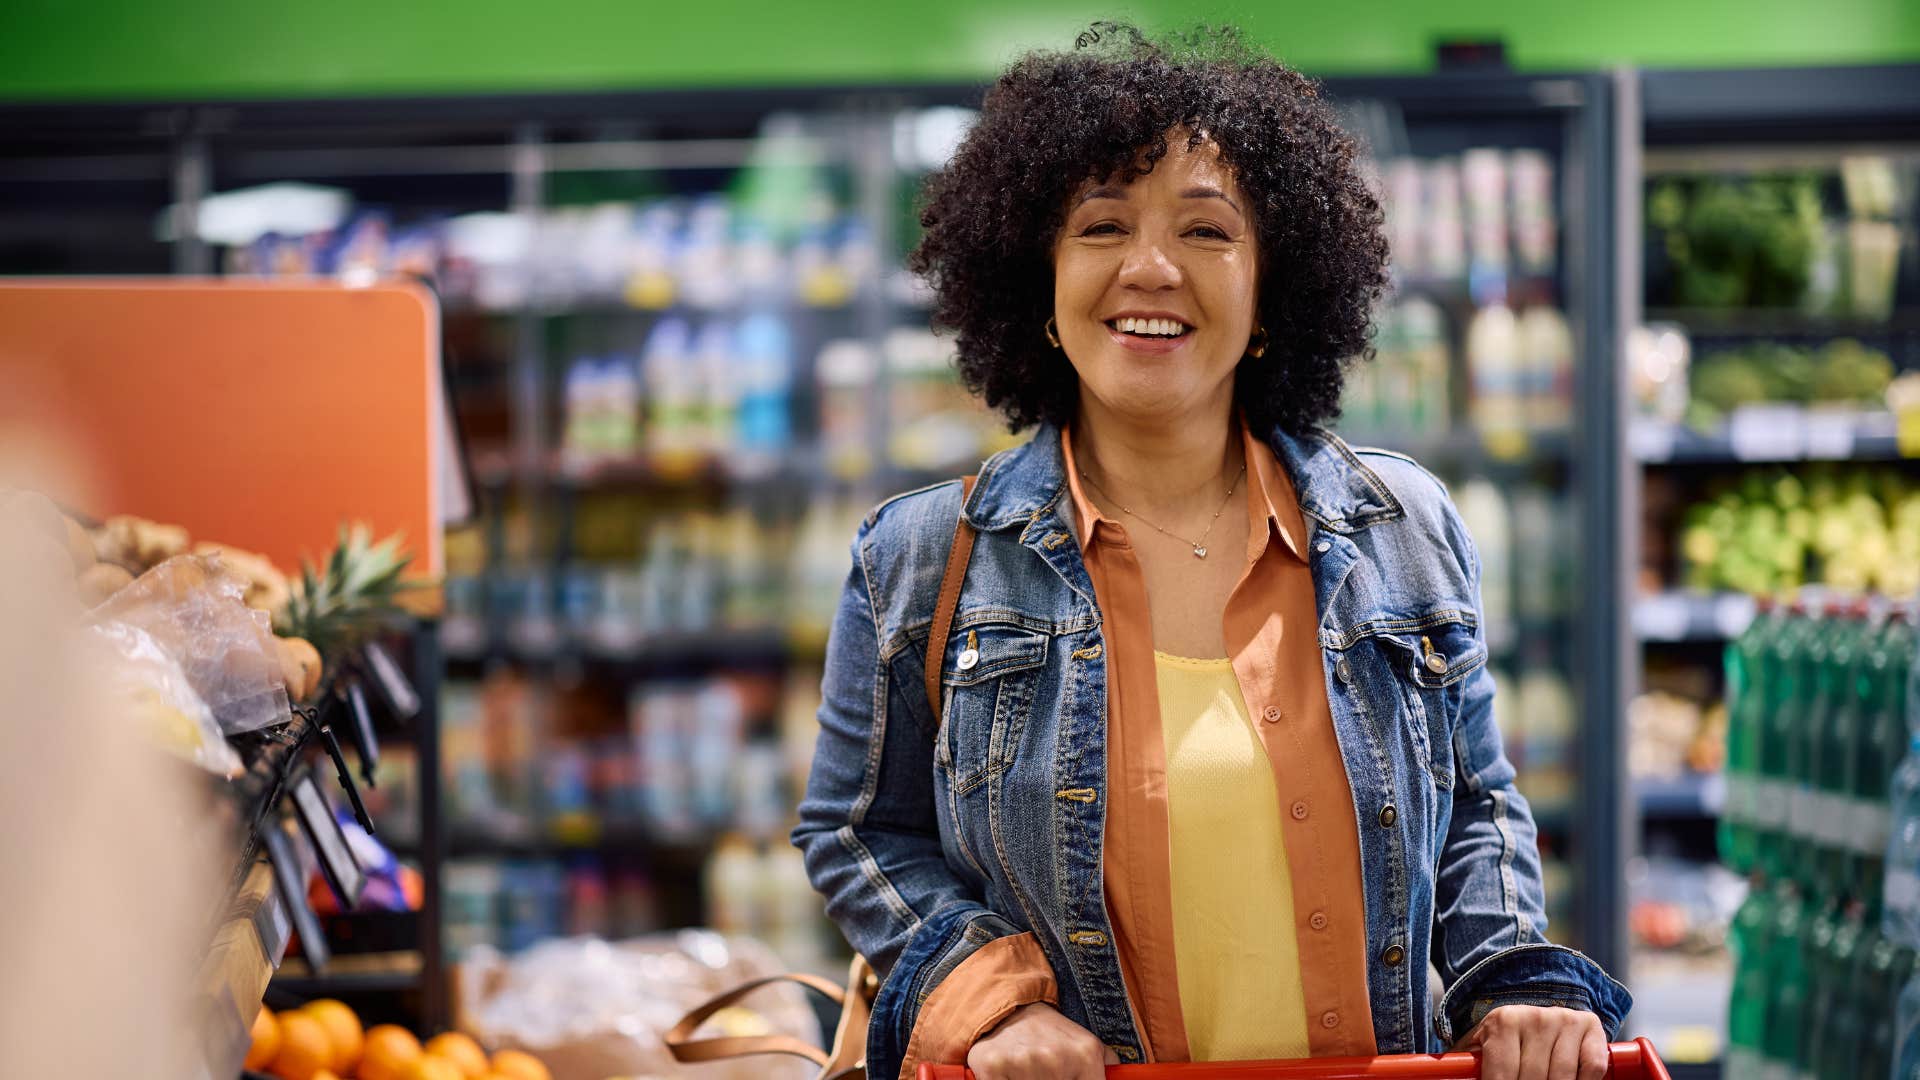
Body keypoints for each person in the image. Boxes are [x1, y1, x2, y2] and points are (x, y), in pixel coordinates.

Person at [792, 23, 1629, 1080]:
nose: (1151, 268)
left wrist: (1514, 978)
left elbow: (1475, 803)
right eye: (1100, 227)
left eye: (1207, 231)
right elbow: (857, 832)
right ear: (1036, 282)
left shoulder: (1403, 525)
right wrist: (989, 1003)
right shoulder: (919, 559)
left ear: (1270, 287)